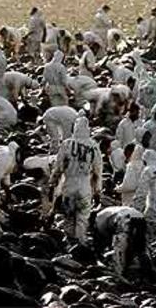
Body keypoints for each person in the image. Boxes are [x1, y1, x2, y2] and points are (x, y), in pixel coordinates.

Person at [49, 116, 103, 245]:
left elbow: (59, 166)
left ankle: (69, 243)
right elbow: (97, 171)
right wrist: (97, 191)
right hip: (85, 186)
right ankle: (80, 243)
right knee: (82, 218)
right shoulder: (94, 146)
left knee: (68, 216)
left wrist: (53, 182)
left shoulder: (67, 144)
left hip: (69, 185)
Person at [95, 206, 148, 280]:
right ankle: (145, 272)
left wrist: (99, 252)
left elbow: (103, 235)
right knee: (140, 247)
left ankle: (119, 273)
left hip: (124, 218)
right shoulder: (109, 210)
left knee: (120, 248)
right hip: (140, 216)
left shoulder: (99, 217)